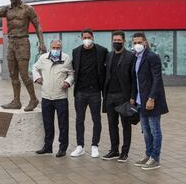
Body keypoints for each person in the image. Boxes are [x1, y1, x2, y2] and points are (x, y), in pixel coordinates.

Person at [132, 32, 169, 170]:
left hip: (151, 100)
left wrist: (151, 98)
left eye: (139, 42)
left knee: (155, 130)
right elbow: (136, 80)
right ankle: (148, 155)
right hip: (140, 100)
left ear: (145, 42)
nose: (137, 45)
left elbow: (157, 79)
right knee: (146, 131)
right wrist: (133, 97)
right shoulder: (136, 57)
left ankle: (155, 158)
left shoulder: (152, 57)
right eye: (135, 42)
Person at [33, 40, 74, 157]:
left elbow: (71, 74)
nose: (56, 50)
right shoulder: (43, 58)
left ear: (61, 48)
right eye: (54, 47)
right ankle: (47, 146)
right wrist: (37, 78)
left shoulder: (66, 58)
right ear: (50, 48)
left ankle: (62, 148)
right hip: (46, 96)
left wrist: (68, 82)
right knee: (48, 123)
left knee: (63, 124)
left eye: (58, 48)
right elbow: (34, 67)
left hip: (61, 97)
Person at [70, 28, 108, 158]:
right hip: (80, 92)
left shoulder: (102, 51)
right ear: (81, 38)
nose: (87, 40)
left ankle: (94, 146)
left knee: (96, 119)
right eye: (84, 38)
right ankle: (80, 146)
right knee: (79, 120)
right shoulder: (76, 52)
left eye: (89, 37)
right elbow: (73, 69)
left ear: (93, 37)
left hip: (95, 92)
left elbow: (106, 70)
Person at [101, 31, 136, 162]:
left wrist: (133, 96)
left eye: (119, 40)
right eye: (114, 40)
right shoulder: (109, 55)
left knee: (126, 125)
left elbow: (134, 78)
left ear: (124, 41)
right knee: (112, 124)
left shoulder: (130, 56)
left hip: (123, 96)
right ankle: (114, 150)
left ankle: (124, 152)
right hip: (109, 95)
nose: (116, 42)